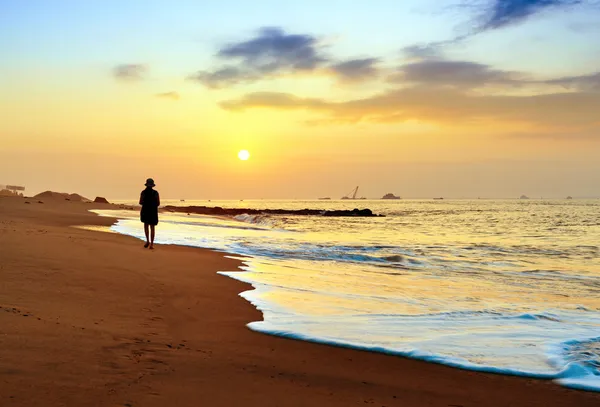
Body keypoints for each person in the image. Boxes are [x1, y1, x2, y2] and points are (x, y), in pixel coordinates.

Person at [139, 178, 160, 249]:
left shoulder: (143, 192)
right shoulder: (156, 193)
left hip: (145, 211)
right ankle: (151, 244)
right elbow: (158, 203)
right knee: (152, 227)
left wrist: (146, 203)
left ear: (146, 185)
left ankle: (147, 240)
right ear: (152, 185)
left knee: (146, 226)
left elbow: (140, 202)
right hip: (153, 211)